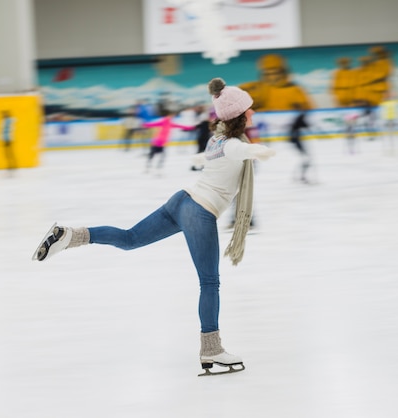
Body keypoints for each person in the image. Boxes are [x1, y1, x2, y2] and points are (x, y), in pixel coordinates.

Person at [32, 77, 276, 375]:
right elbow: (240, 153)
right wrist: (260, 151)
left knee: (129, 239)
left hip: (181, 201)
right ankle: (212, 348)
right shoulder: (235, 144)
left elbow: (210, 157)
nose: (253, 113)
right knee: (209, 283)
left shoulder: (218, 139)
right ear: (239, 115)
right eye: (249, 110)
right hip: (200, 213)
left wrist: (213, 156)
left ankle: (69, 236)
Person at [142, 110, 193, 176]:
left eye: (173, 116)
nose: (172, 117)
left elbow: (179, 126)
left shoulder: (170, 123)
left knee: (161, 156)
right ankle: (149, 168)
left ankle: (157, 169)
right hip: (156, 142)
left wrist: (190, 127)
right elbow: (153, 124)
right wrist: (145, 124)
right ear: (167, 115)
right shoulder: (164, 121)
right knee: (153, 155)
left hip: (162, 143)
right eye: (171, 115)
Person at [288, 105, 311, 183]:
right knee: (306, 159)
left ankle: (298, 176)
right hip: (296, 141)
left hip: (296, 141)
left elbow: (305, 125)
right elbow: (305, 125)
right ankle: (301, 176)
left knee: (305, 159)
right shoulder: (300, 118)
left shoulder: (298, 119)